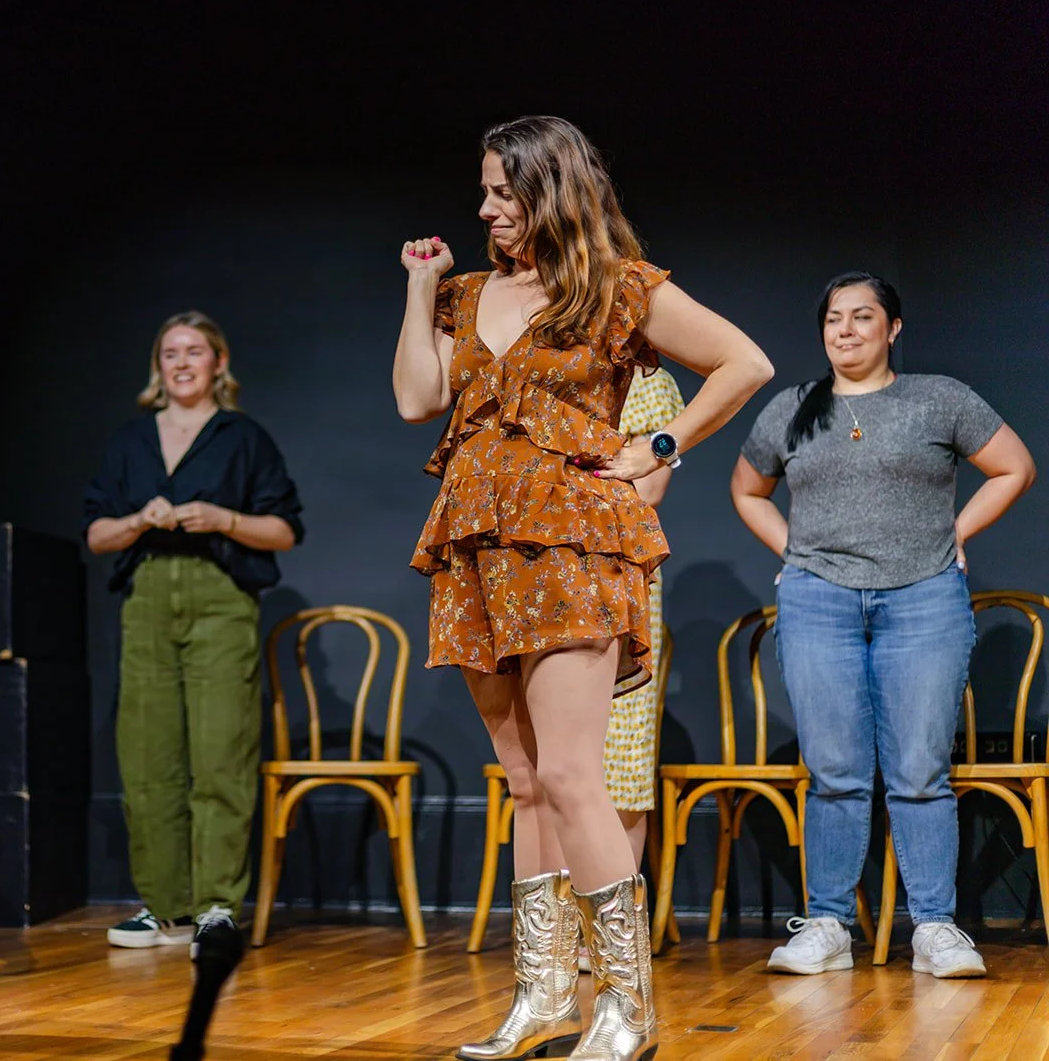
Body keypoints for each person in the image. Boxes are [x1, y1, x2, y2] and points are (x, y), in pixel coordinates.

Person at [393, 116, 772, 1061]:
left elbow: (745, 362)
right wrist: (420, 287)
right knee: (525, 782)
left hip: (571, 545)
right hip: (478, 547)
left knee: (569, 772)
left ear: (549, 190)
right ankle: (543, 994)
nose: (486, 208)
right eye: (484, 190)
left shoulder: (615, 286)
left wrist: (656, 444)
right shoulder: (466, 293)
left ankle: (629, 1008)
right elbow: (416, 399)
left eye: (503, 191)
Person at [731, 272, 1034, 979]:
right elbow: (748, 489)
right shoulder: (792, 408)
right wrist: (795, 554)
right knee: (834, 770)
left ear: (892, 328)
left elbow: (1014, 467)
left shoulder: (938, 397)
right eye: (833, 318)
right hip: (820, 602)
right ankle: (829, 925)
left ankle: (934, 926)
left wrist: (955, 534)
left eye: (862, 316)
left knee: (920, 769)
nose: (845, 330)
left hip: (922, 596)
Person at [84, 311, 302, 957]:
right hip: (148, 601)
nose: (182, 363)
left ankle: (216, 908)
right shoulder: (131, 440)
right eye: (170, 353)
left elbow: (285, 530)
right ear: (158, 367)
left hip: (220, 600)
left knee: (220, 755)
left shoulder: (243, 437)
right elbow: (97, 534)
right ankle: (165, 908)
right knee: (147, 758)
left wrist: (222, 518)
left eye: (195, 351)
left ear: (219, 362)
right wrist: (137, 520)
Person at [577, 366, 684, 974]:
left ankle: (612, 935)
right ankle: (559, 927)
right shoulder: (551, 367)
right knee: (561, 762)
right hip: (550, 577)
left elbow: (648, 488)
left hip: (620, 576)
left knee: (621, 765)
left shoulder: (649, 381)